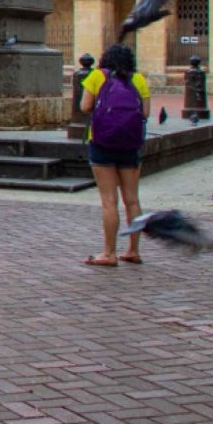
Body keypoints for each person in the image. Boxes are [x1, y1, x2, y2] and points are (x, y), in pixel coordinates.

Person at [79, 43, 150, 267]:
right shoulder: (138, 79)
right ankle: (133, 250)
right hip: (130, 144)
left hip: (102, 142)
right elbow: (145, 112)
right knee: (132, 199)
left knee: (109, 201)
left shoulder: (96, 76)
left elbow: (84, 107)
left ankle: (109, 253)